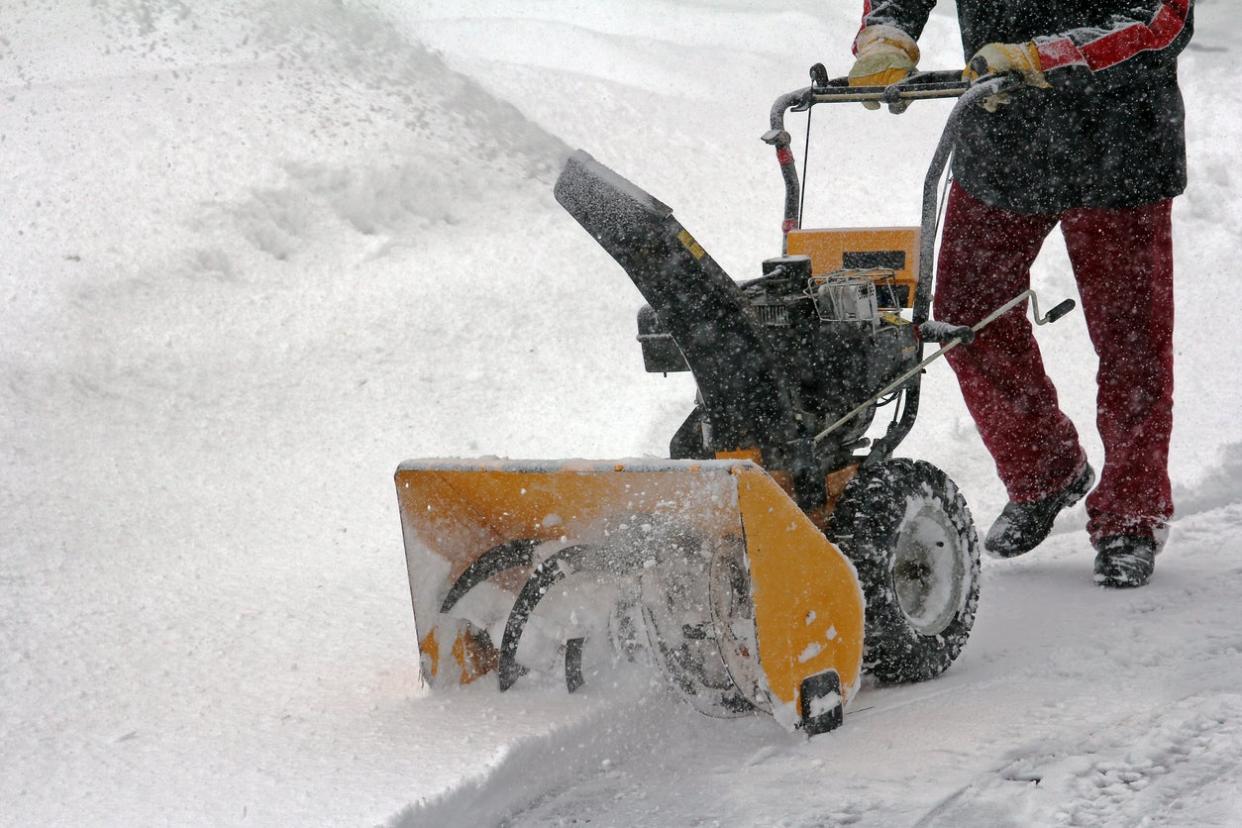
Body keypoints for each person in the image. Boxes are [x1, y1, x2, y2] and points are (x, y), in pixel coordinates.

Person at [848, 1, 1194, 588]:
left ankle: (1131, 514)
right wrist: (887, 29)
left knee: (1131, 339)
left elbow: (1164, 19)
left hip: (1121, 139)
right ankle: (1045, 470)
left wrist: (1044, 57)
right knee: (964, 316)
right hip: (1004, 138)